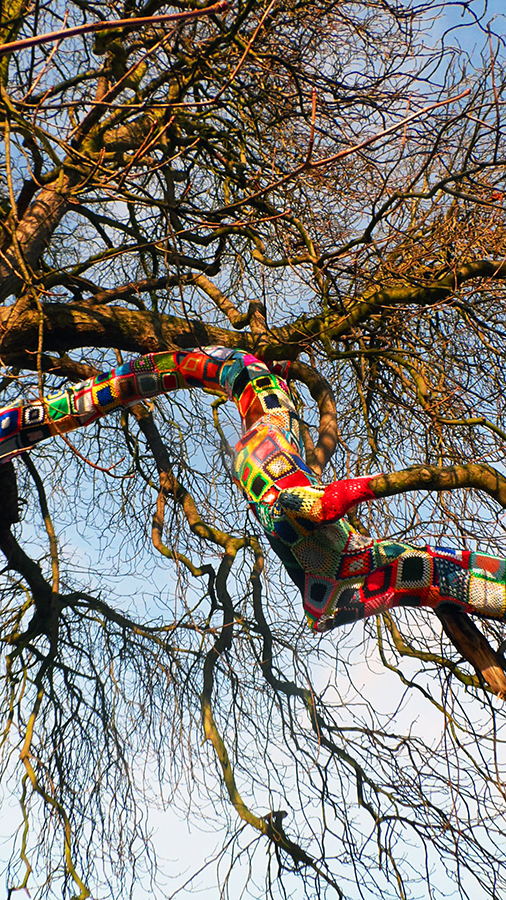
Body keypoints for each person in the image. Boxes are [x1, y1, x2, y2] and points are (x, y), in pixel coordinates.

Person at [1, 345, 505, 631]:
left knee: (426, 569)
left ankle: (339, 590)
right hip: (328, 557)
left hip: (329, 563)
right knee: (431, 567)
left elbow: (317, 500)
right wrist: (385, 484)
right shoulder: (276, 480)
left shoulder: (267, 472)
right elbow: (326, 500)